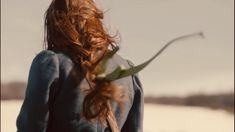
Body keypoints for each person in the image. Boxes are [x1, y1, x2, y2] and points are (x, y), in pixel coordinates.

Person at [16, 0, 144, 132]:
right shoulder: (127, 70)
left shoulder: (52, 63)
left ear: (56, 24)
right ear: (95, 21)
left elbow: (30, 127)